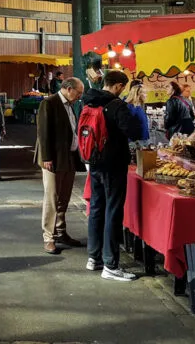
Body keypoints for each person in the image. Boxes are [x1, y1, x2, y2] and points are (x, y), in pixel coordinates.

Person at [82, 70, 143, 282]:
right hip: (113, 165)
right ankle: (111, 264)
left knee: (97, 209)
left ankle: (94, 257)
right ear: (118, 86)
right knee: (113, 212)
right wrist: (133, 110)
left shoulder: (90, 102)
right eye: (122, 87)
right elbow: (135, 132)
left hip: (94, 162)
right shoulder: (116, 105)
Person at [34, 77, 85, 255]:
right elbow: (43, 132)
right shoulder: (49, 103)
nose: (80, 96)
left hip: (68, 157)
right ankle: (49, 237)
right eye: (78, 93)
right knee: (52, 198)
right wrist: (47, 157)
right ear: (68, 89)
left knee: (64, 197)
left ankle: (61, 232)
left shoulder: (70, 105)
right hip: (53, 159)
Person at [126, 80, 149, 149]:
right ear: (138, 94)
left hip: (143, 140)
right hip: (135, 142)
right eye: (144, 93)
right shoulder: (131, 107)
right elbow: (127, 125)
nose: (146, 95)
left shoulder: (139, 106)